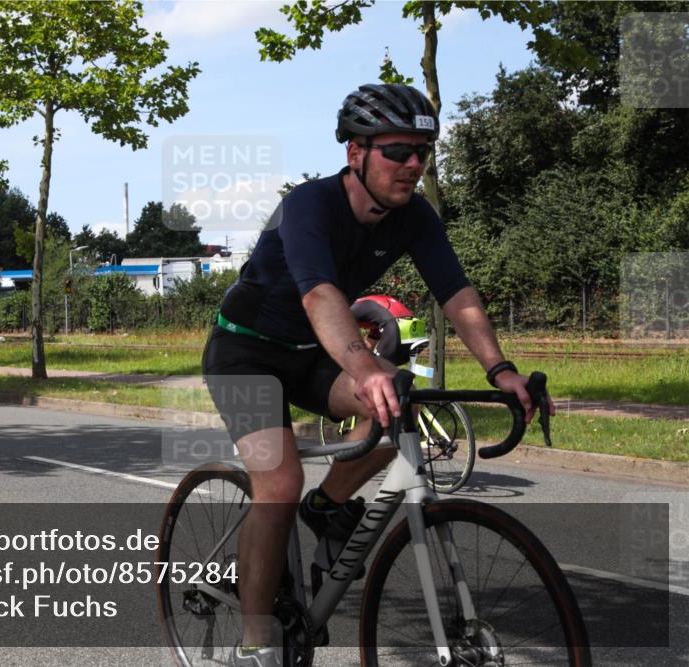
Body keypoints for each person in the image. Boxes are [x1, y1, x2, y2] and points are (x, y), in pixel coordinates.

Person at [201, 83, 554, 667]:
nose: (414, 164)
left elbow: (456, 292)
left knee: (402, 405)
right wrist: (364, 366)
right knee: (279, 484)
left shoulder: (414, 215)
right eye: (398, 150)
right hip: (247, 353)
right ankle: (254, 646)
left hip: (314, 353)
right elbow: (318, 293)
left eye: (423, 151)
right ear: (356, 153)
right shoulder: (309, 205)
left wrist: (500, 369)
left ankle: (329, 506)